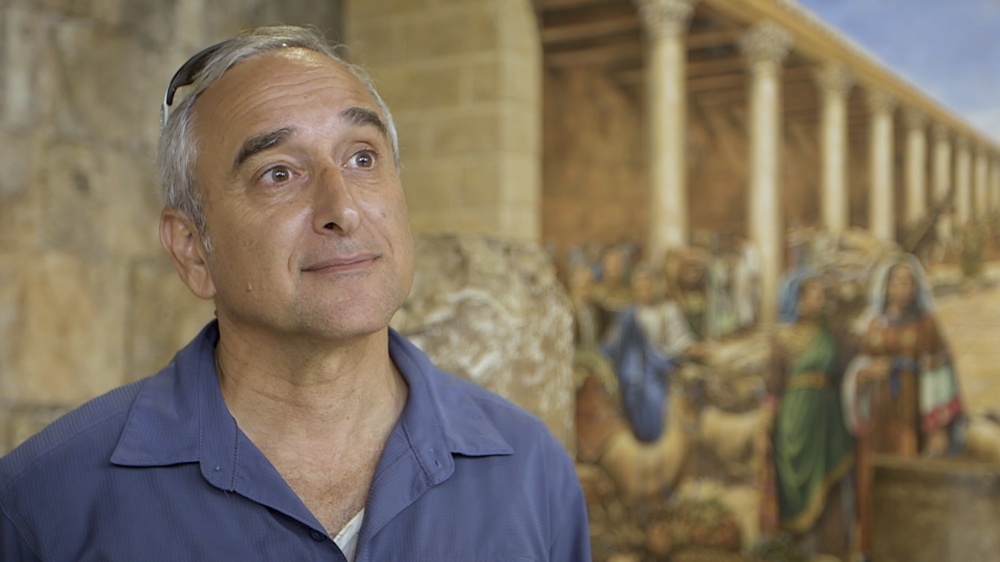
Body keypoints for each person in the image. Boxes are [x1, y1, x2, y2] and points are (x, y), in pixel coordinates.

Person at [0, 25, 590, 561]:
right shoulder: (45, 506)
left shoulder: (530, 471)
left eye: (362, 158)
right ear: (192, 250)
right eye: (278, 173)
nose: (343, 209)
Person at [842, 252, 963, 557]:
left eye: (909, 282)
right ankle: (872, 550)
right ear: (886, 286)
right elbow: (857, 367)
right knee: (870, 480)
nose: (903, 288)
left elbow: (940, 372)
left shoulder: (926, 325)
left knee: (906, 476)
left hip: (909, 416)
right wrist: (866, 373)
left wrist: (938, 426)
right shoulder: (872, 325)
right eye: (897, 282)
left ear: (916, 287)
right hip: (875, 418)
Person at [763, 270, 854, 558]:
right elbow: (773, 385)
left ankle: (832, 550)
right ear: (797, 299)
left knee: (831, 487)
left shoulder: (832, 334)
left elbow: (848, 367)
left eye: (821, 295)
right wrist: (766, 422)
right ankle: (793, 552)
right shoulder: (781, 337)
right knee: (791, 486)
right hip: (794, 420)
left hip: (827, 420)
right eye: (813, 294)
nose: (819, 300)